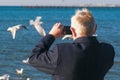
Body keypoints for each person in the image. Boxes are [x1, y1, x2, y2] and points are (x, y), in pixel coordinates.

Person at [28, 8, 115, 80]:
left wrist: (51, 36)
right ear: (95, 29)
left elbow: (33, 58)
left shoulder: (62, 52)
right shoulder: (108, 51)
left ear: (72, 30)